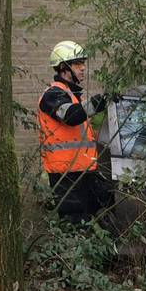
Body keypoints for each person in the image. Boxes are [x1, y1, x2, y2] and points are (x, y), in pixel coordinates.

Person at [38, 40, 112, 222]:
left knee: (106, 205)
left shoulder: (74, 97)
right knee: (73, 225)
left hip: (84, 172)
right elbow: (72, 116)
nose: (83, 68)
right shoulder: (52, 96)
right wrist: (98, 102)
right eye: (77, 64)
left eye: (83, 63)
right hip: (65, 177)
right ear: (63, 67)